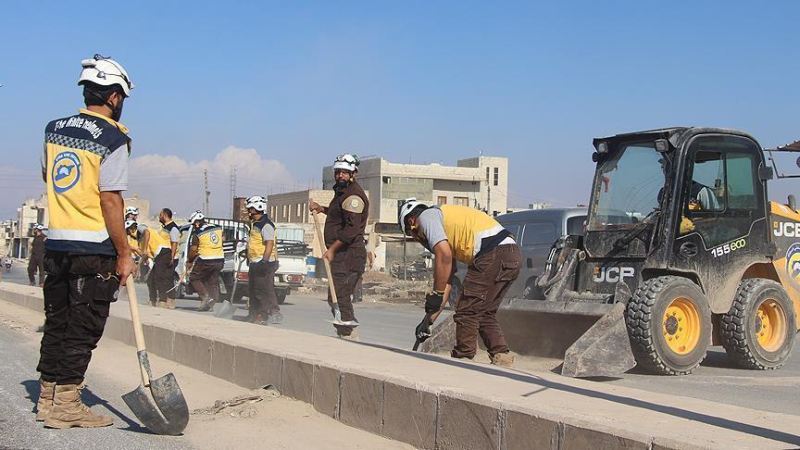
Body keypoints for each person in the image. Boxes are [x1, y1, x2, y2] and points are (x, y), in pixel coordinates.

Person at [36, 54, 135, 429]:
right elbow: (110, 199)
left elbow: (48, 175)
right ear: (114, 96)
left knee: (57, 323)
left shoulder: (53, 129)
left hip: (57, 244)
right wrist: (124, 253)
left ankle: (46, 399)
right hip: (93, 248)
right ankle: (67, 404)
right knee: (83, 327)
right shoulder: (114, 138)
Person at [398, 199, 520, 367]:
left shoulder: (426, 216)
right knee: (484, 312)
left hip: (492, 252)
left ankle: (463, 360)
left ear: (411, 221)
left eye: (412, 234)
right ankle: (502, 356)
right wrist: (427, 322)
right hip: (511, 254)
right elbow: (446, 279)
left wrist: (436, 294)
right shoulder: (446, 228)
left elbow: (444, 256)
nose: (418, 238)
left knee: (466, 310)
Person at [309, 154, 369, 338]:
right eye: (337, 172)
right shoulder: (342, 192)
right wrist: (322, 209)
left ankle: (349, 334)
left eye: (344, 172)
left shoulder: (354, 196)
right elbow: (339, 215)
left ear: (353, 173)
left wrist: (332, 249)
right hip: (342, 255)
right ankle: (346, 332)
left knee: (340, 295)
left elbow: (351, 230)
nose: (340, 175)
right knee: (336, 296)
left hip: (349, 255)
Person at [244, 196, 282, 324]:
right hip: (255, 261)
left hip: (265, 262)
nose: (249, 212)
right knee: (253, 290)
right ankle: (253, 314)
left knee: (262, 290)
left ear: (257, 208)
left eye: (250, 209)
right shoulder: (255, 224)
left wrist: (264, 261)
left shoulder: (266, 225)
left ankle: (263, 315)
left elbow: (269, 244)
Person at [186, 211, 224, 312]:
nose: (194, 226)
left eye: (193, 224)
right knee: (212, 280)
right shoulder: (218, 227)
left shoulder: (197, 233)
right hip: (219, 259)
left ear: (197, 223)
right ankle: (211, 302)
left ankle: (205, 296)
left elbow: (193, 250)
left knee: (194, 277)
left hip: (205, 259)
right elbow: (222, 239)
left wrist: (190, 260)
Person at [141, 218, 172, 308]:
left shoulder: (141, 229)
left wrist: (144, 249)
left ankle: (163, 301)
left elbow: (146, 232)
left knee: (159, 277)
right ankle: (153, 300)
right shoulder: (138, 240)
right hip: (157, 256)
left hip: (163, 251)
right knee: (150, 279)